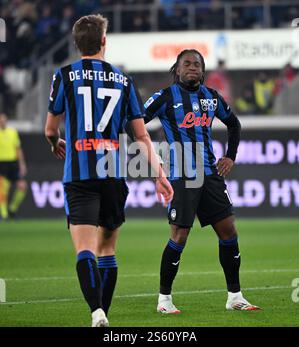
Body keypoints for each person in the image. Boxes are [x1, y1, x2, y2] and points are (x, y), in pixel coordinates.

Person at [44, 14, 173, 327]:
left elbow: (50, 128)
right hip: (113, 173)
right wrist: (159, 173)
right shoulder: (124, 80)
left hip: (79, 175)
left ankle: (96, 312)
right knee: (108, 248)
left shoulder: (64, 75)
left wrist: (55, 142)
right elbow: (142, 135)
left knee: (85, 248)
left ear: (76, 44)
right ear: (104, 41)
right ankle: (105, 313)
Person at [144, 49, 260, 314]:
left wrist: (230, 156)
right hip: (181, 175)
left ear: (203, 70)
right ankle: (164, 299)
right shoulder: (164, 97)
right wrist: (153, 160)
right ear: (177, 69)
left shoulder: (211, 97)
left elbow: (234, 124)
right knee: (180, 235)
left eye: (197, 64)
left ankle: (235, 296)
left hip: (210, 175)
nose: (192, 67)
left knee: (229, 231)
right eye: (187, 63)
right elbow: (136, 122)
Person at [0, 113, 27, 220]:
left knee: (22, 186)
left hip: (13, 163)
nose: (2, 122)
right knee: (3, 189)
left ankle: (12, 209)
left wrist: (22, 164)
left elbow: (18, 149)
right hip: (1, 163)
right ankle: (4, 214)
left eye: (4, 120)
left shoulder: (12, 132)